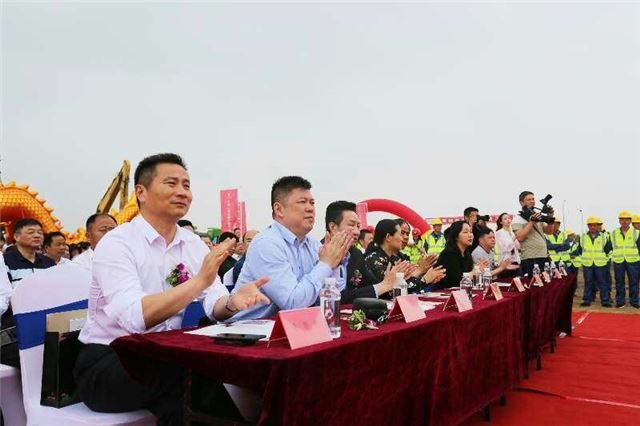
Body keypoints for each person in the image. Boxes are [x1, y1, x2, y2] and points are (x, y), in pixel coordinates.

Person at [74, 153, 269, 425]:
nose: (182, 192)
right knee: (185, 373)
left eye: (186, 185)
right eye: (171, 183)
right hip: (109, 360)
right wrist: (198, 282)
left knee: (207, 370)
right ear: (141, 192)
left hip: (162, 353)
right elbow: (135, 318)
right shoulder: (117, 243)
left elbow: (214, 302)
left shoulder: (192, 243)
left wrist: (233, 302)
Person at [230, 176, 352, 321]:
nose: (310, 208)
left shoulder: (313, 244)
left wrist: (336, 262)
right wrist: (325, 264)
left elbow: (333, 294)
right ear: (279, 209)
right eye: (302, 202)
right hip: (246, 329)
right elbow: (292, 303)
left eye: (312, 203)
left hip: (289, 326)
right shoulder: (267, 243)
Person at [2, 218, 56, 368]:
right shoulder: (5, 262)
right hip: (14, 324)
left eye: (40, 232)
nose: (37, 235)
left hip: (46, 321)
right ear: (16, 237)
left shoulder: (48, 263)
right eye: (31, 232)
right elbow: (6, 298)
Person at [362, 219, 444, 295]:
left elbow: (406, 283)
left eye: (407, 234)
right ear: (388, 237)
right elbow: (390, 292)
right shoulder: (373, 259)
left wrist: (427, 276)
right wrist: (423, 278)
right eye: (401, 234)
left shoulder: (398, 258)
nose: (404, 238)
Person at [511, 191, 555, 276]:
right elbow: (520, 237)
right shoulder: (517, 218)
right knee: (532, 282)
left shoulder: (537, 215)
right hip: (530, 258)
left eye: (533, 199)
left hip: (544, 256)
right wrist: (531, 222)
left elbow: (549, 231)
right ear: (521, 202)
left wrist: (550, 218)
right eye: (528, 199)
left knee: (546, 282)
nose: (532, 201)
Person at [575, 217, 613, 307]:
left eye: (594, 225)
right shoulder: (582, 237)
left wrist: (606, 260)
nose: (592, 227)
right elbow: (579, 250)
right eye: (590, 225)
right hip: (587, 264)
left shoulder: (604, 237)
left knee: (602, 282)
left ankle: (605, 301)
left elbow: (609, 250)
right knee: (588, 282)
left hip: (601, 264)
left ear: (597, 226)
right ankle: (587, 300)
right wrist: (582, 261)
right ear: (588, 226)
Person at [610, 211, 640, 308]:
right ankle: (620, 301)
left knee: (634, 282)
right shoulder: (613, 233)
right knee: (619, 282)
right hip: (618, 261)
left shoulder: (637, 233)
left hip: (633, 261)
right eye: (622, 219)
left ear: (630, 221)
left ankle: (634, 301)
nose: (624, 221)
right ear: (619, 221)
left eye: (627, 219)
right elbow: (609, 247)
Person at [434, 221, 474, 290]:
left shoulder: (467, 253)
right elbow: (456, 281)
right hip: (443, 292)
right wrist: (474, 273)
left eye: (471, 232)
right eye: (465, 232)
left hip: (460, 292)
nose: (470, 235)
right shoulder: (448, 253)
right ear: (456, 237)